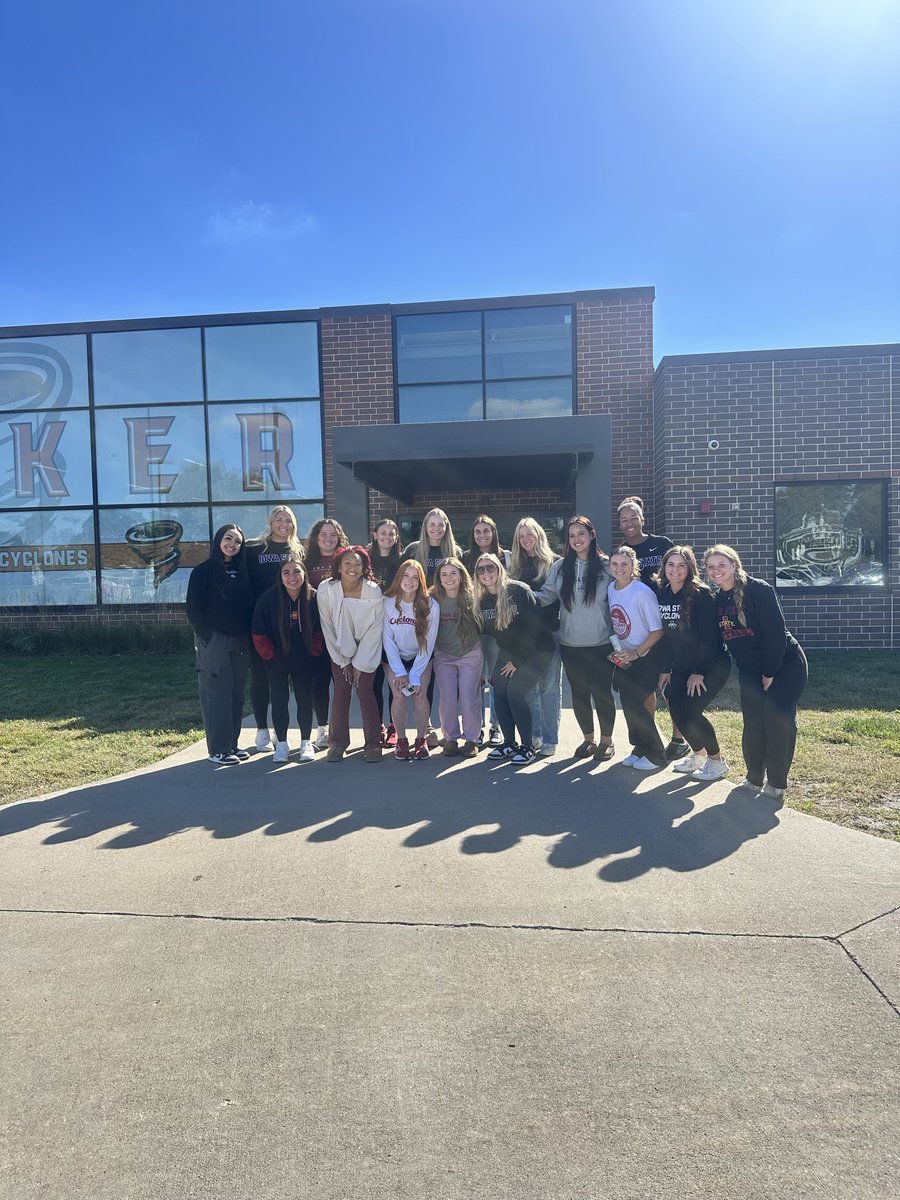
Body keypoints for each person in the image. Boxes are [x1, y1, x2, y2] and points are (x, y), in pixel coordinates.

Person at [704, 544, 808, 802]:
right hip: (750, 671)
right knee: (753, 723)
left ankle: (776, 784)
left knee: (777, 720)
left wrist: (769, 672)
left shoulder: (759, 590)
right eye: (711, 567)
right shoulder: (718, 600)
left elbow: (775, 633)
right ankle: (753, 777)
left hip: (784, 665)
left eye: (721, 565)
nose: (716, 571)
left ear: (734, 565)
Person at [535, 516, 617, 762]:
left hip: (601, 642)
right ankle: (589, 739)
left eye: (581, 534)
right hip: (571, 644)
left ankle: (607, 741)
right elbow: (546, 596)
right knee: (580, 694)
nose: (576, 539)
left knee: (602, 693)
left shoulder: (606, 566)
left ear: (592, 535)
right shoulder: (560, 567)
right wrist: (517, 595)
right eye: (571, 536)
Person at [617, 494, 687, 761]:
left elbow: (679, 571)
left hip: (668, 619)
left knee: (670, 682)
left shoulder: (662, 544)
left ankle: (679, 739)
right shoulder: (623, 551)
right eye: (624, 519)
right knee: (646, 685)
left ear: (642, 518)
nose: (630, 522)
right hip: (642, 625)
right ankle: (647, 737)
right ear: (620, 525)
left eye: (634, 517)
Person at [655, 546, 731, 781]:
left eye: (681, 565)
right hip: (681, 666)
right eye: (671, 565)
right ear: (664, 568)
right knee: (676, 710)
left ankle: (717, 762)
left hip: (711, 664)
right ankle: (698, 754)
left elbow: (710, 637)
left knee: (691, 711)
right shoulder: (663, 594)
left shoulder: (701, 594)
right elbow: (666, 636)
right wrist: (665, 669)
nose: (675, 570)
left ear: (689, 569)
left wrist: (699, 672)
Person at [473, 553, 554, 764]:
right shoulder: (482, 601)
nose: (486, 573)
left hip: (538, 650)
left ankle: (528, 746)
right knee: (499, 689)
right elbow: (480, 632)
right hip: (509, 652)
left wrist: (517, 662)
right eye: (480, 569)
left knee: (515, 692)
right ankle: (509, 743)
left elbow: (533, 629)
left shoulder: (518, 590)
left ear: (499, 569)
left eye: (490, 567)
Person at [185, 524, 254, 765]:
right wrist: (208, 637)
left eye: (237, 541)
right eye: (228, 538)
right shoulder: (203, 571)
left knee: (235, 695)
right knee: (216, 695)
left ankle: (231, 745)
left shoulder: (243, 572)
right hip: (214, 641)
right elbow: (193, 609)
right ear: (218, 540)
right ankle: (218, 749)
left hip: (240, 641)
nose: (232, 544)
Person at [251, 552, 324, 763]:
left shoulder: (314, 597)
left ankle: (305, 742)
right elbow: (259, 632)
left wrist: (314, 651)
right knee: (280, 700)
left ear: (304, 574)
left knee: (304, 699)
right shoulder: (268, 599)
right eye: (286, 572)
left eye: (297, 571)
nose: (292, 577)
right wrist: (270, 655)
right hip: (276, 661)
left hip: (304, 660)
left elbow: (320, 629)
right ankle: (281, 743)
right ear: (280, 576)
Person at [315, 545, 385, 763]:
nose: (352, 568)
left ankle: (373, 744)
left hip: (368, 646)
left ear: (364, 567)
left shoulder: (373, 590)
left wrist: (360, 662)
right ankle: (337, 743)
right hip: (338, 647)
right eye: (347, 563)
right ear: (338, 566)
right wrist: (344, 661)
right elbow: (328, 626)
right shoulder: (326, 589)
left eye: (357, 563)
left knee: (365, 689)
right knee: (342, 689)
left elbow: (375, 628)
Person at [244, 505, 305, 753]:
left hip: (291, 625)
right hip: (261, 624)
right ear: (270, 522)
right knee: (260, 678)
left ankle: (288, 734)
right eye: (279, 519)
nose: (284, 523)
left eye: (288, 519)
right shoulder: (254, 548)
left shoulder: (297, 550)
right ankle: (261, 730)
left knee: (287, 682)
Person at [607, 545, 667, 770]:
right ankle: (640, 747)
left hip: (647, 656)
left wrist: (637, 652)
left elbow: (658, 630)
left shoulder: (643, 592)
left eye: (625, 564)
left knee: (634, 702)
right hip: (627, 657)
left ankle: (657, 754)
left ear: (634, 566)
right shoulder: (611, 588)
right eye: (615, 564)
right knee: (626, 700)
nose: (619, 568)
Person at [509, 517, 562, 758]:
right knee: (528, 687)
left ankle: (551, 739)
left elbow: (550, 596)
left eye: (529, 534)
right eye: (521, 536)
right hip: (523, 636)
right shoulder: (515, 566)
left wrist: (523, 598)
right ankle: (536, 735)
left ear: (539, 535)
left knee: (549, 687)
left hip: (549, 631)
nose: (525, 539)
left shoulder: (554, 563)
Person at [382, 560, 440, 760]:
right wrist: (399, 672)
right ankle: (401, 740)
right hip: (395, 657)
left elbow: (428, 643)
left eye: (415, 577)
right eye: (406, 576)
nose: (410, 581)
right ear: (399, 578)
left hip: (420, 656)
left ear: (421, 581)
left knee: (419, 693)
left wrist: (414, 675)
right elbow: (387, 640)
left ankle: (421, 739)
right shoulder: (387, 602)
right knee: (399, 694)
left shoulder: (431, 605)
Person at [430, 558, 483, 758]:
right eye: (444, 574)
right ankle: (450, 738)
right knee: (448, 696)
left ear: (461, 576)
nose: (449, 577)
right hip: (444, 654)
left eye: (453, 573)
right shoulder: (432, 598)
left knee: (469, 696)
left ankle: (471, 739)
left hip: (469, 652)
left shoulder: (473, 597)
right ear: (439, 579)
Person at [305, 518, 350, 751]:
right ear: (316, 537)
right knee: (319, 681)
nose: (328, 538)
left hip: (344, 630)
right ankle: (322, 729)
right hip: (316, 632)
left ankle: (340, 731)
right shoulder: (306, 562)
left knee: (342, 684)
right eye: (323, 534)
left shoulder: (346, 560)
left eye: (333, 534)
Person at [366, 518, 402, 746]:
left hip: (394, 624)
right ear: (375, 534)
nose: (387, 537)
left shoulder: (401, 561)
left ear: (397, 537)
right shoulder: (365, 558)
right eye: (383, 532)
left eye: (391, 533)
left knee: (392, 679)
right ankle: (377, 724)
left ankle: (393, 727)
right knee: (375, 680)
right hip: (370, 624)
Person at [403, 507, 460, 585]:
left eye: (441, 525)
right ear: (425, 526)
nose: (436, 528)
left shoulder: (456, 552)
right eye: (432, 524)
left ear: (446, 527)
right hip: (421, 596)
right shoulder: (412, 550)